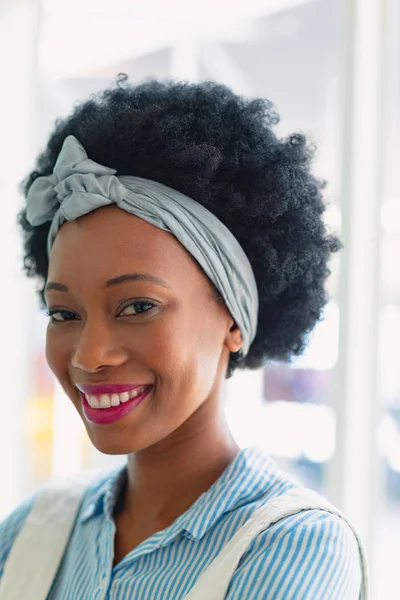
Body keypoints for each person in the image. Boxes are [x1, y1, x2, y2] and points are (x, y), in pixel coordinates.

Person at [0, 77, 368, 599]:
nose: (89, 356)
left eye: (138, 306)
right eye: (63, 313)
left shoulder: (293, 547)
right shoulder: (32, 531)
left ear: (233, 320)